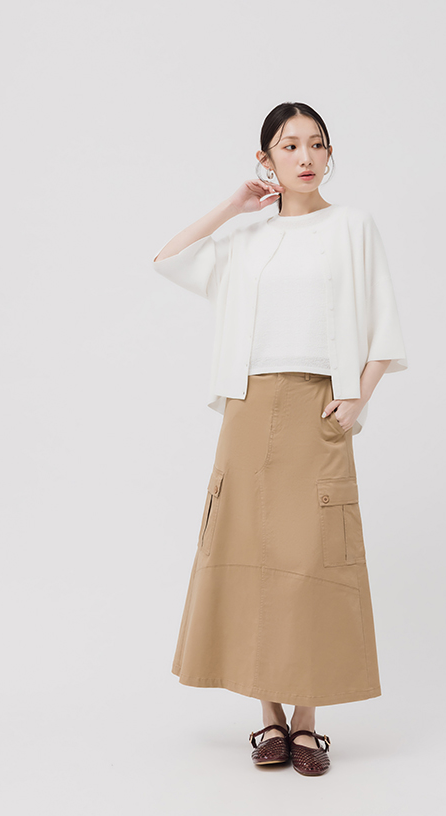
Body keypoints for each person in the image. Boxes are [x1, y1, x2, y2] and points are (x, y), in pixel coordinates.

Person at [152, 102, 408, 776]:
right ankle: (268, 719)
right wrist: (232, 206)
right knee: (249, 555)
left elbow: (384, 324)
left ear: (329, 155)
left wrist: (358, 395)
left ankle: (308, 722)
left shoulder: (351, 226)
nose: (305, 156)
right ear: (265, 159)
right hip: (248, 406)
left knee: (313, 562)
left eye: (316, 144)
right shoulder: (246, 241)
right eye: (289, 145)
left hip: (317, 408)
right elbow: (168, 259)